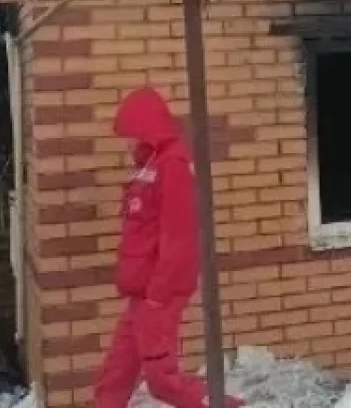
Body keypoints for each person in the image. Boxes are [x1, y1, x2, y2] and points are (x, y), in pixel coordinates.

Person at [95, 87, 243, 408]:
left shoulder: (172, 165)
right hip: (140, 295)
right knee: (114, 380)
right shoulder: (148, 166)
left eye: (133, 134)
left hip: (156, 296)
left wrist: (158, 296)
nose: (129, 142)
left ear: (147, 128)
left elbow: (179, 237)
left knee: (163, 382)